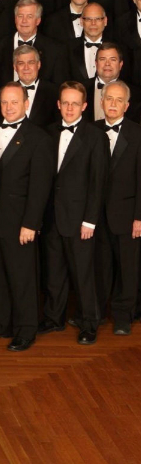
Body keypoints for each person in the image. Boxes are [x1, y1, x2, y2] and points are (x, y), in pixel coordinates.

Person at [0, 83, 54, 352]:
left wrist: (31, 223)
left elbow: (40, 187)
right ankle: (1, 324)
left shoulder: (38, 138)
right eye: (4, 102)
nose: (9, 107)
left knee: (22, 277)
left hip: (19, 222)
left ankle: (26, 329)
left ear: (26, 103)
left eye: (14, 102)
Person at [39, 81, 106, 345]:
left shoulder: (94, 136)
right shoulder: (48, 133)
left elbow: (97, 182)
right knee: (54, 272)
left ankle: (89, 322)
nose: (69, 107)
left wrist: (90, 220)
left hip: (80, 219)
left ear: (84, 106)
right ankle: (54, 318)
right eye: (65, 102)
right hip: (51, 216)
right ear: (58, 104)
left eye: (74, 103)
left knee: (83, 274)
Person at [97, 81, 141, 335]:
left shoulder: (137, 133)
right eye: (108, 98)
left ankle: (124, 316)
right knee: (100, 266)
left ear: (126, 105)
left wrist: (139, 217)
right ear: (101, 102)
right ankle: (99, 312)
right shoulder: (90, 131)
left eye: (118, 100)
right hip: (96, 216)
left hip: (127, 215)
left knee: (127, 267)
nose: (112, 104)